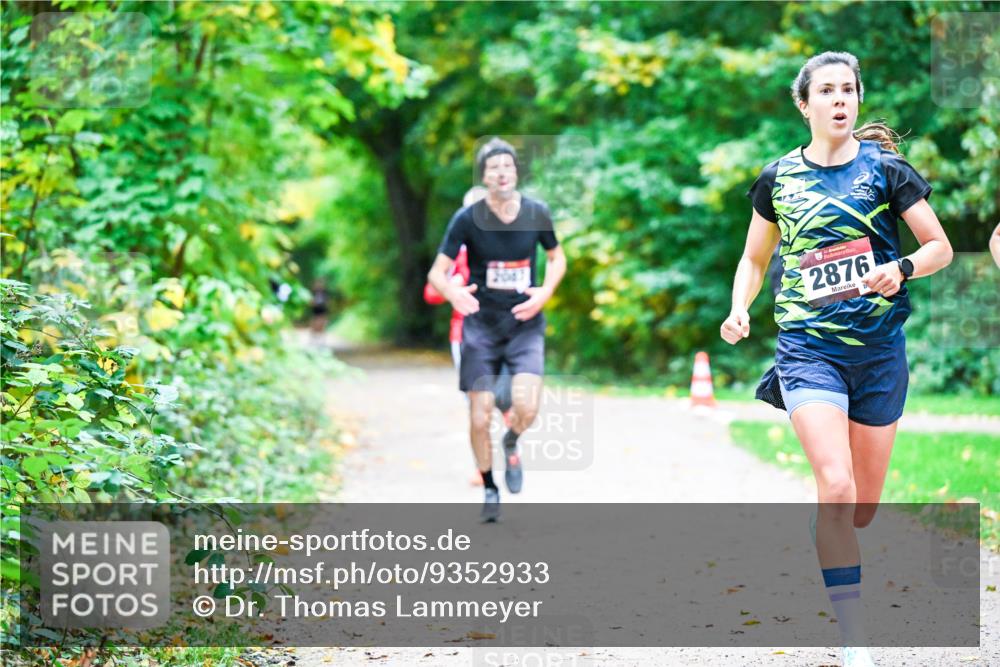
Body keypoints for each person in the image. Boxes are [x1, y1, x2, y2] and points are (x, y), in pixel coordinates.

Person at [720, 52, 952, 667]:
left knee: (863, 507)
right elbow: (754, 258)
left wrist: (901, 268)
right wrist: (740, 307)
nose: (840, 99)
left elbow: (939, 247)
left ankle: (836, 529)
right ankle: (854, 637)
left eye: (848, 89)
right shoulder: (778, 178)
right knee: (837, 484)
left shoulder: (886, 170)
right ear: (805, 105)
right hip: (807, 349)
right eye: (826, 90)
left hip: (878, 354)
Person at [428, 138, 566, 522]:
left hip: (524, 324)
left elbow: (557, 258)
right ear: (484, 176)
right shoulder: (467, 219)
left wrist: (546, 292)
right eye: (494, 168)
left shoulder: (536, 212)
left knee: (527, 407)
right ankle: (490, 487)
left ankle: (511, 441)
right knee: (479, 415)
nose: (502, 173)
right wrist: (453, 293)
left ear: (516, 172)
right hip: (481, 327)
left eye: (508, 166)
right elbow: (437, 273)